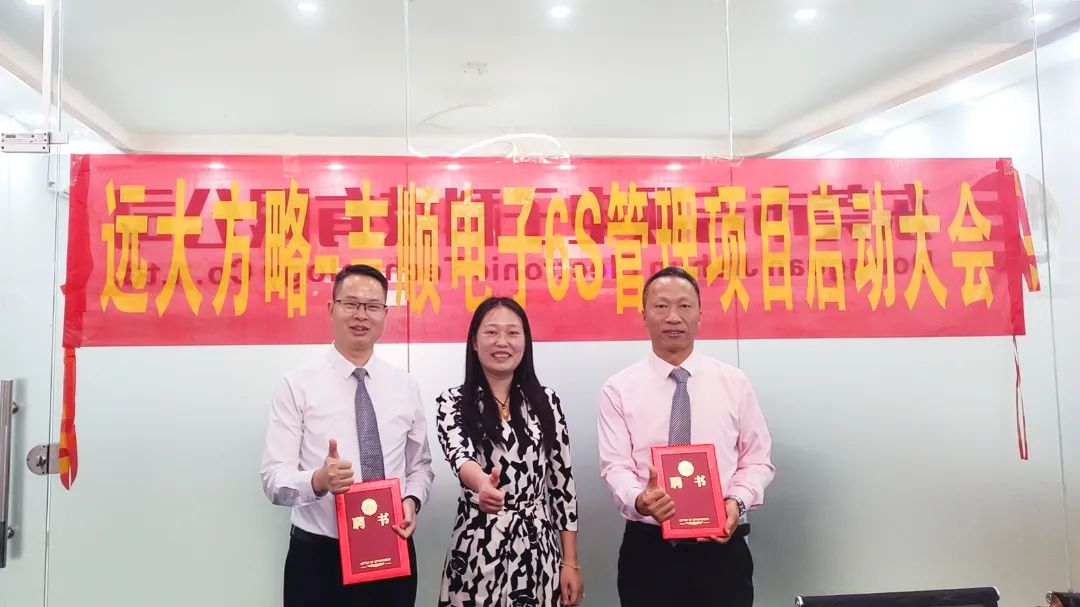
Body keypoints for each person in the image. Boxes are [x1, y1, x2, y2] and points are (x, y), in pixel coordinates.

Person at [597, 266, 775, 607]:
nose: (673, 317)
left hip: (721, 551)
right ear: (644, 315)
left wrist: (736, 502)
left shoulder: (733, 383)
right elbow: (614, 466)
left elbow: (757, 460)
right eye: (661, 306)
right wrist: (639, 499)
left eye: (684, 306)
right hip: (648, 552)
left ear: (700, 315)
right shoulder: (619, 389)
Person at [260, 264, 434, 607]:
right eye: (351, 303)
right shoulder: (297, 385)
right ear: (331, 308)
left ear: (384, 314)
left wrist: (411, 501)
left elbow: (420, 468)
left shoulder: (405, 386)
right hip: (319, 558)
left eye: (372, 306)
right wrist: (318, 480)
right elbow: (273, 479)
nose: (361, 315)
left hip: (391, 547)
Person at [435, 296, 583, 607]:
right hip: (477, 548)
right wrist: (482, 483)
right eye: (491, 332)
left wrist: (570, 561)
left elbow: (562, 485)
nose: (502, 342)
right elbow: (459, 455)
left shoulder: (547, 402)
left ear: (525, 342)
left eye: (513, 333)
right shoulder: (453, 402)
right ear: (474, 342)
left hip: (538, 549)